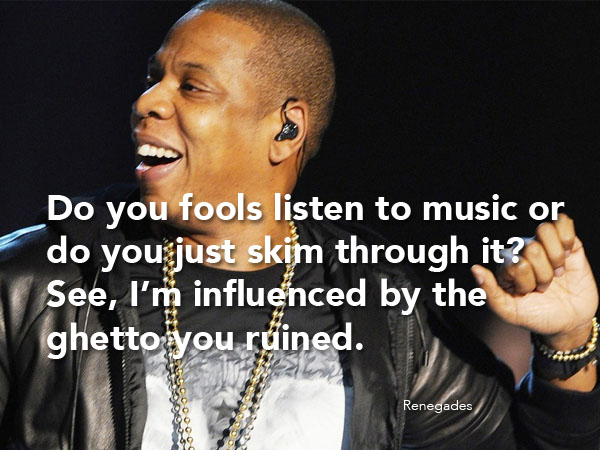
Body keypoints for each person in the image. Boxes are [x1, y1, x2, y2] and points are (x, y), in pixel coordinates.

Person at [0, 1, 598, 449]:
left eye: (192, 87)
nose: (148, 102)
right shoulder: (32, 286)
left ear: (285, 129)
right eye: (153, 78)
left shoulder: (383, 311)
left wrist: (567, 341)